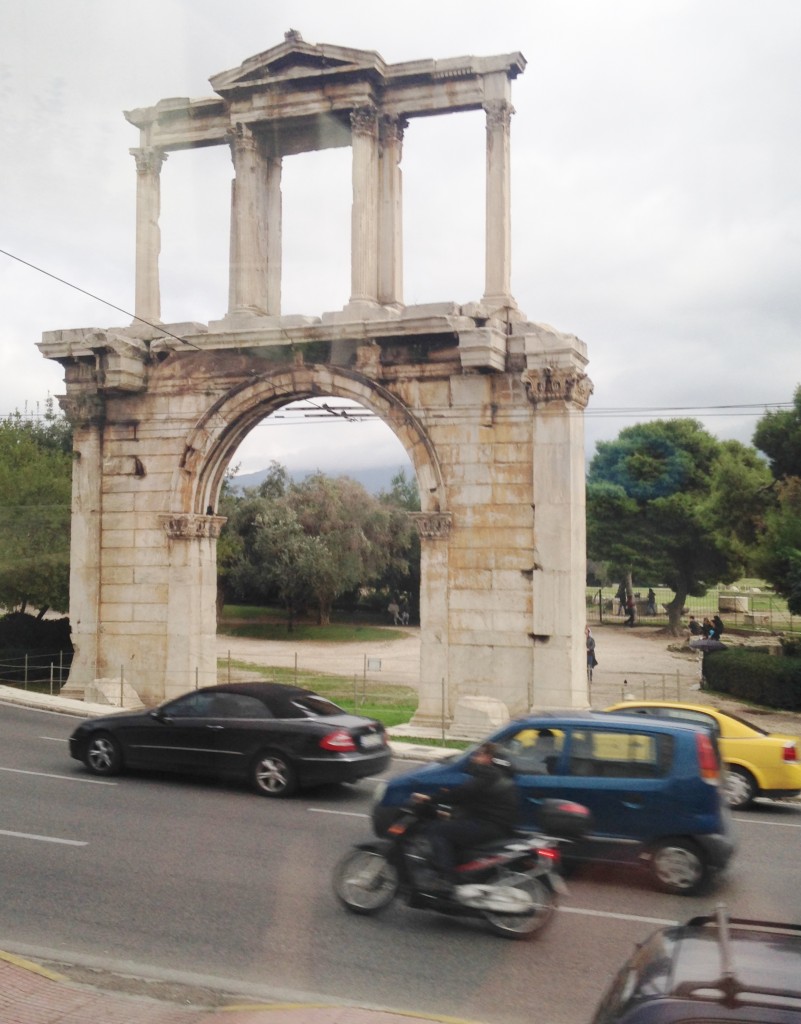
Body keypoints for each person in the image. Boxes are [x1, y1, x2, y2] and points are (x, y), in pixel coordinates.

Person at [415, 741, 519, 893]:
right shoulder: (500, 776)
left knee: (436, 830)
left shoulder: (487, 775)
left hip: (488, 825)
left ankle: (447, 879)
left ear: (488, 758)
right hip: (498, 824)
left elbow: (461, 793)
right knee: (451, 827)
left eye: (478, 755)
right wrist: (450, 814)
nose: (473, 758)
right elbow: (476, 801)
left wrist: (429, 799)